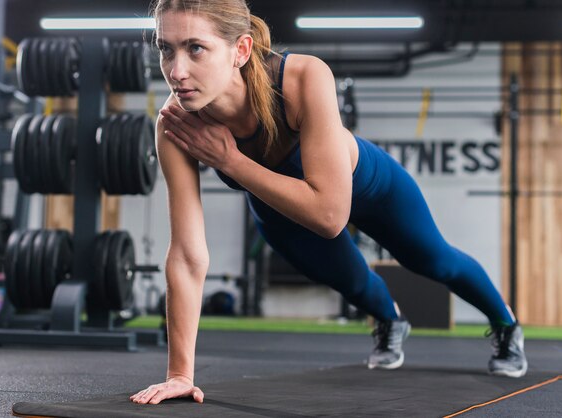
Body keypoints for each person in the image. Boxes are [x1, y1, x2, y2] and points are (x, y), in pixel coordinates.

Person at [130, 0, 528, 406]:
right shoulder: (176, 124)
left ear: (241, 50)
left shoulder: (301, 76)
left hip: (371, 186)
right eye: (166, 48)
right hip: (278, 212)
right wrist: (180, 374)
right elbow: (186, 254)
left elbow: (330, 215)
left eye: (195, 48)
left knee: (433, 260)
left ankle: (506, 325)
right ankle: (391, 321)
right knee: (350, 280)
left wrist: (230, 160)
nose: (176, 71)